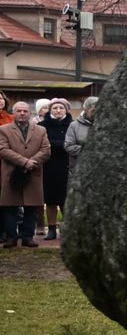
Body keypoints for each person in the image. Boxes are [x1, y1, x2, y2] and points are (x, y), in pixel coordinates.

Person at [0, 101, 51, 248]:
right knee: (10, 207)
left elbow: (46, 150)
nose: (22, 113)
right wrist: (24, 162)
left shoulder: (41, 130)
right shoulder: (3, 130)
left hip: (33, 172)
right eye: (19, 111)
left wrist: (32, 162)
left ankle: (28, 237)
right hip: (11, 173)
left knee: (31, 207)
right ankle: (11, 237)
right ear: (14, 113)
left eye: (25, 111)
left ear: (30, 113)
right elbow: (3, 149)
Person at [35, 98, 73, 240]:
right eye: (55, 108)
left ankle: (69, 228)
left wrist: (57, 144)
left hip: (67, 166)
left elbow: (71, 144)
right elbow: (42, 144)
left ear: (66, 110)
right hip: (48, 166)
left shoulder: (72, 125)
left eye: (61, 108)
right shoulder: (42, 126)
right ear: (50, 110)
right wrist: (62, 145)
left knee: (66, 200)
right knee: (50, 200)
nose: (58, 110)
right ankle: (51, 229)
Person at [65, 95, 96, 161]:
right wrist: (89, 150)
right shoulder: (74, 125)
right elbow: (69, 146)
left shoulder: (106, 125)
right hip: (80, 163)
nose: (96, 113)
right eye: (93, 111)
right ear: (86, 110)